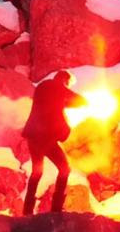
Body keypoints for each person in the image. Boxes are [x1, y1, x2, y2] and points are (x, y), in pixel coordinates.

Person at [21, 70, 85, 215]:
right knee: (64, 169)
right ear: (64, 80)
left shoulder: (42, 88)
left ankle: (27, 211)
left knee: (37, 172)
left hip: (33, 136)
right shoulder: (57, 87)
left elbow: (53, 103)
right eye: (67, 84)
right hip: (46, 138)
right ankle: (56, 209)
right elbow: (78, 100)